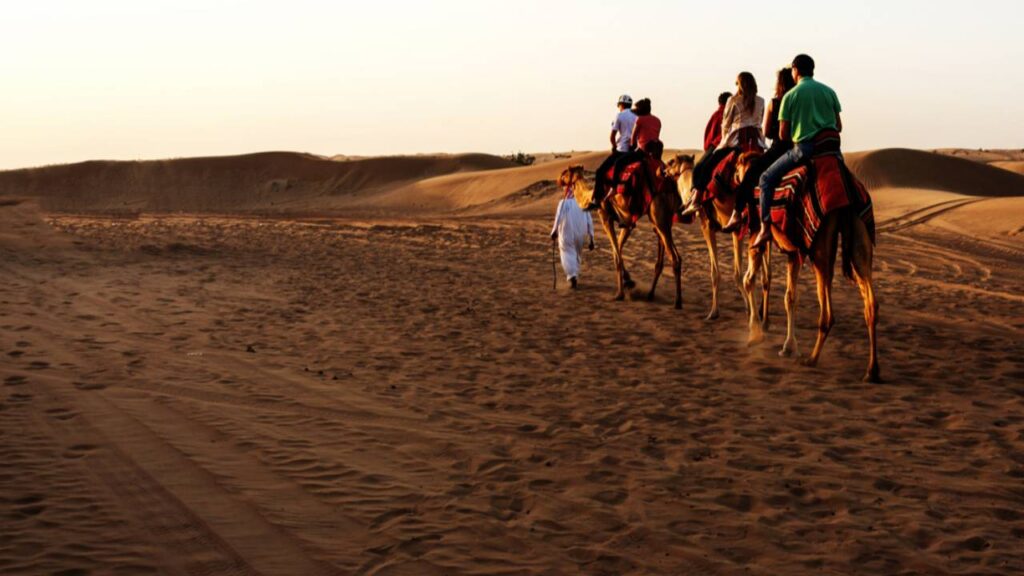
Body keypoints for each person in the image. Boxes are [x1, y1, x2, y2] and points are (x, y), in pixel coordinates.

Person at [751, 54, 842, 248]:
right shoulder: (829, 92)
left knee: (765, 179)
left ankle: (765, 227)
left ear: (795, 71)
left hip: (805, 150)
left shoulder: (790, 96)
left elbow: (783, 135)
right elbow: (839, 126)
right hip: (831, 150)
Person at [721, 67, 796, 232]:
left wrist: (723, 141)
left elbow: (767, 132)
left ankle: (738, 213)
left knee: (753, 173)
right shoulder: (764, 101)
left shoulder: (774, 103)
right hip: (777, 143)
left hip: (777, 147)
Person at [682, 72, 765, 215]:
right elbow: (759, 121)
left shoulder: (733, 100)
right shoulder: (761, 101)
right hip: (756, 142)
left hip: (736, 142)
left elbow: (725, 125)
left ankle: (696, 199)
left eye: (737, 84)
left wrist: (723, 142)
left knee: (705, 166)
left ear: (740, 84)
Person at [592, 95, 637, 206]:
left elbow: (612, 136)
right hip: (634, 151)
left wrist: (613, 146)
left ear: (621, 105)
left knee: (600, 172)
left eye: (619, 106)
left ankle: (597, 199)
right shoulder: (637, 116)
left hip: (621, 150)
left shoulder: (619, 116)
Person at [550, 186, 595, 289]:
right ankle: (574, 274)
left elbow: (558, 218)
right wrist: (591, 238)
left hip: (566, 234)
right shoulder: (583, 203)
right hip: (581, 235)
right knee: (577, 255)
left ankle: (572, 276)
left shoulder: (563, 203)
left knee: (566, 253)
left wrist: (554, 231)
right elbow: (590, 221)